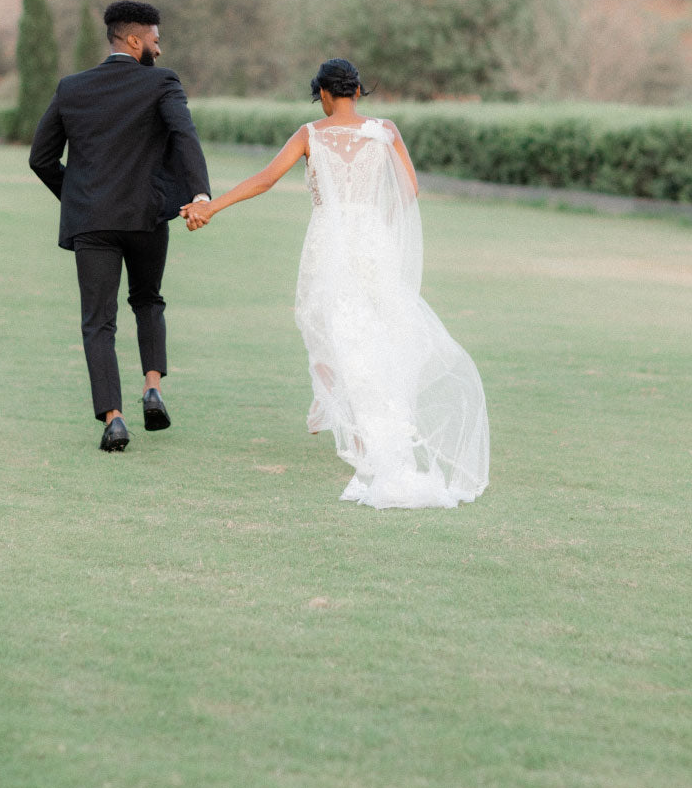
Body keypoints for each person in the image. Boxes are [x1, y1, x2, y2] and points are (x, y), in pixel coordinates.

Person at [182, 59, 489, 508]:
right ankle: (360, 420)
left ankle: (345, 417)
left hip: (328, 243)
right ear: (358, 90)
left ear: (324, 94)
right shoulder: (386, 131)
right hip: (372, 243)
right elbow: (410, 190)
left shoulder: (310, 134)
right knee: (374, 329)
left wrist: (212, 207)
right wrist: (378, 224)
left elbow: (266, 179)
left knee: (327, 325)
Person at [29, 0, 211, 452]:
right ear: (134, 40)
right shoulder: (162, 83)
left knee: (98, 322)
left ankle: (113, 419)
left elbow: (41, 158)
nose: (158, 49)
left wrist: (78, 196)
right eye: (154, 39)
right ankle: (153, 387)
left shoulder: (71, 88)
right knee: (148, 299)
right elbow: (184, 135)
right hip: (147, 217)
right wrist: (200, 193)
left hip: (93, 221)